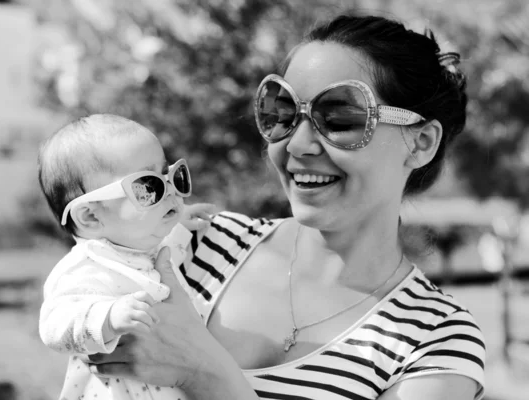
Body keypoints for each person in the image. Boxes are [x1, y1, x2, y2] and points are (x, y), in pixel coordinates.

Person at [85, 14, 486, 400]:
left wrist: (202, 371)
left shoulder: (435, 339)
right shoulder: (194, 244)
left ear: (421, 143)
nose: (296, 145)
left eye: (340, 117)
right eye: (283, 113)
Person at [37, 114, 213, 400]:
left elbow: (169, 247)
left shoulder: (149, 243)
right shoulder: (87, 267)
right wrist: (108, 318)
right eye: (149, 187)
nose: (169, 191)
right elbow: (54, 326)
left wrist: (180, 220)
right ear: (91, 216)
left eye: (171, 176)